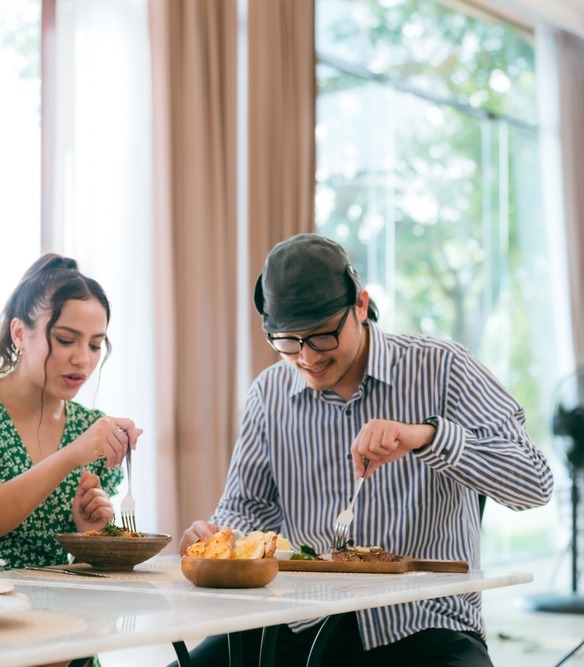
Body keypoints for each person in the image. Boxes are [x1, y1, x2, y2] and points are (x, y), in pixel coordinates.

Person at [177, 234, 554, 666]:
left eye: (321, 336)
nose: (306, 358)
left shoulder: (443, 368)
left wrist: (428, 437)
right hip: (299, 623)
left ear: (360, 305)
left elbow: (535, 483)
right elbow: (246, 508)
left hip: (422, 625)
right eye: (287, 341)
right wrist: (218, 536)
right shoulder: (270, 393)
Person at [0, 253, 141, 572]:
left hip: (61, 612)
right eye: (66, 340)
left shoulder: (90, 427)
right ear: (19, 334)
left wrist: (91, 535)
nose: (83, 359)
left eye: (95, 346)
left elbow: (88, 572)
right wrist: (70, 455)